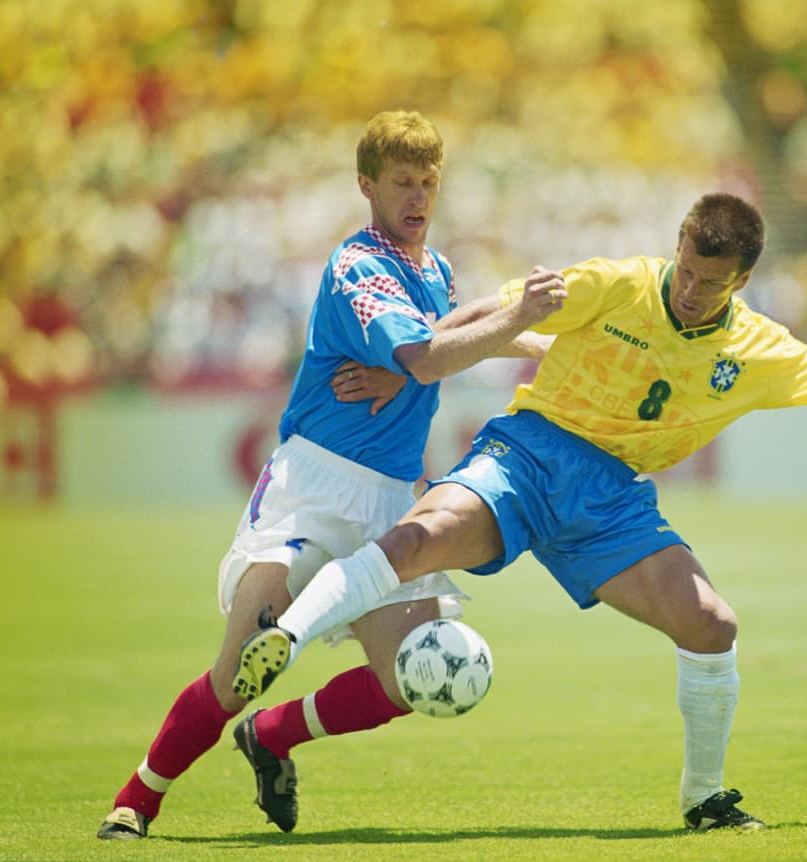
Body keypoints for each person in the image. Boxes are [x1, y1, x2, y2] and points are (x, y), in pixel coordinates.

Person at [232, 192, 807, 832]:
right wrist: (405, 367)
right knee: (418, 537)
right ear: (678, 245)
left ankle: (703, 798)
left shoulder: (754, 347)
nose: (691, 288)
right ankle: (286, 639)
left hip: (611, 501)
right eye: (687, 269)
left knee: (712, 624)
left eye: (712, 282)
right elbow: (492, 311)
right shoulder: (612, 283)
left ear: (740, 282)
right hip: (528, 455)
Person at [96, 109, 564, 840]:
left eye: (428, 182)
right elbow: (428, 357)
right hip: (314, 489)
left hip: (387, 502)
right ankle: (137, 800)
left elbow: (443, 326)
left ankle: (274, 736)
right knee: (241, 669)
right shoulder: (357, 266)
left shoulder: (429, 268)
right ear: (366, 186)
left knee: (409, 678)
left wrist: (527, 333)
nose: (417, 196)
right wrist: (496, 333)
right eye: (402, 181)